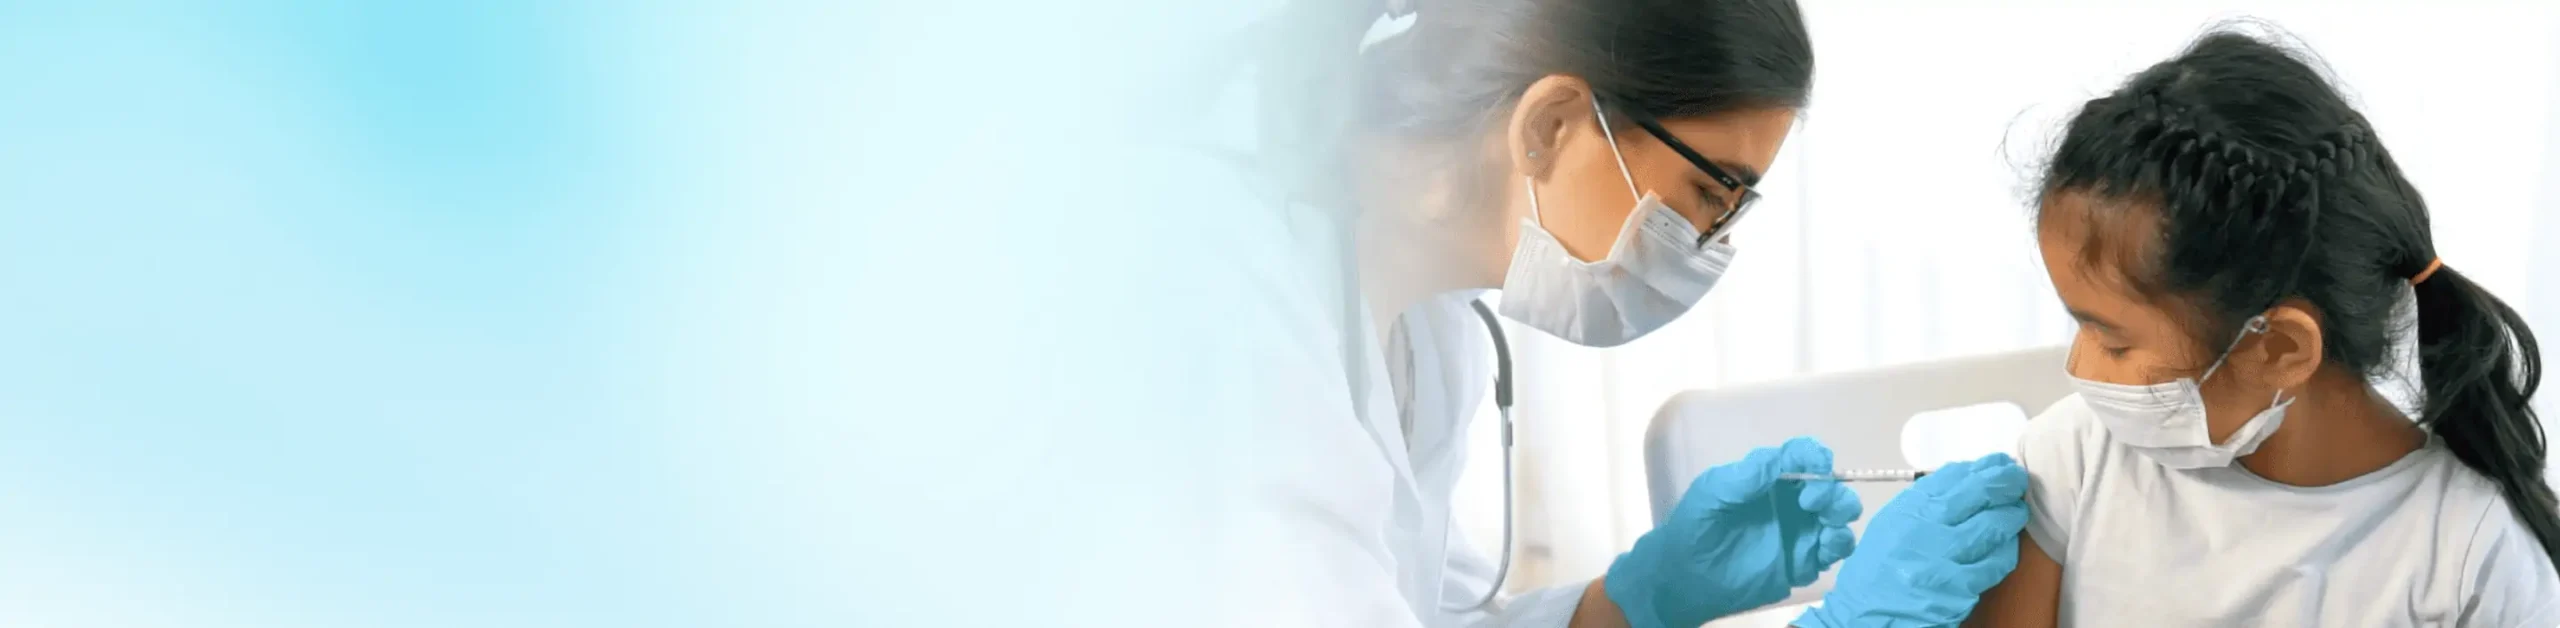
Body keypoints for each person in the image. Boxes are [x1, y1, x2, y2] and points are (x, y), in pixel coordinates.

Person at [1226, 1, 2033, 626]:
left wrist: (1641, 597)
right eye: (1710, 194)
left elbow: (1429, 613)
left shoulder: (1436, 329)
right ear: (1549, 125)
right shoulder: (1226, 311)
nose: (1706, 245)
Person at [1964, 29, 2560, 626]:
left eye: (2114, 341)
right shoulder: (2075, 461)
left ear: (2278, 348)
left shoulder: (2467, 556)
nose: (2081, 370)